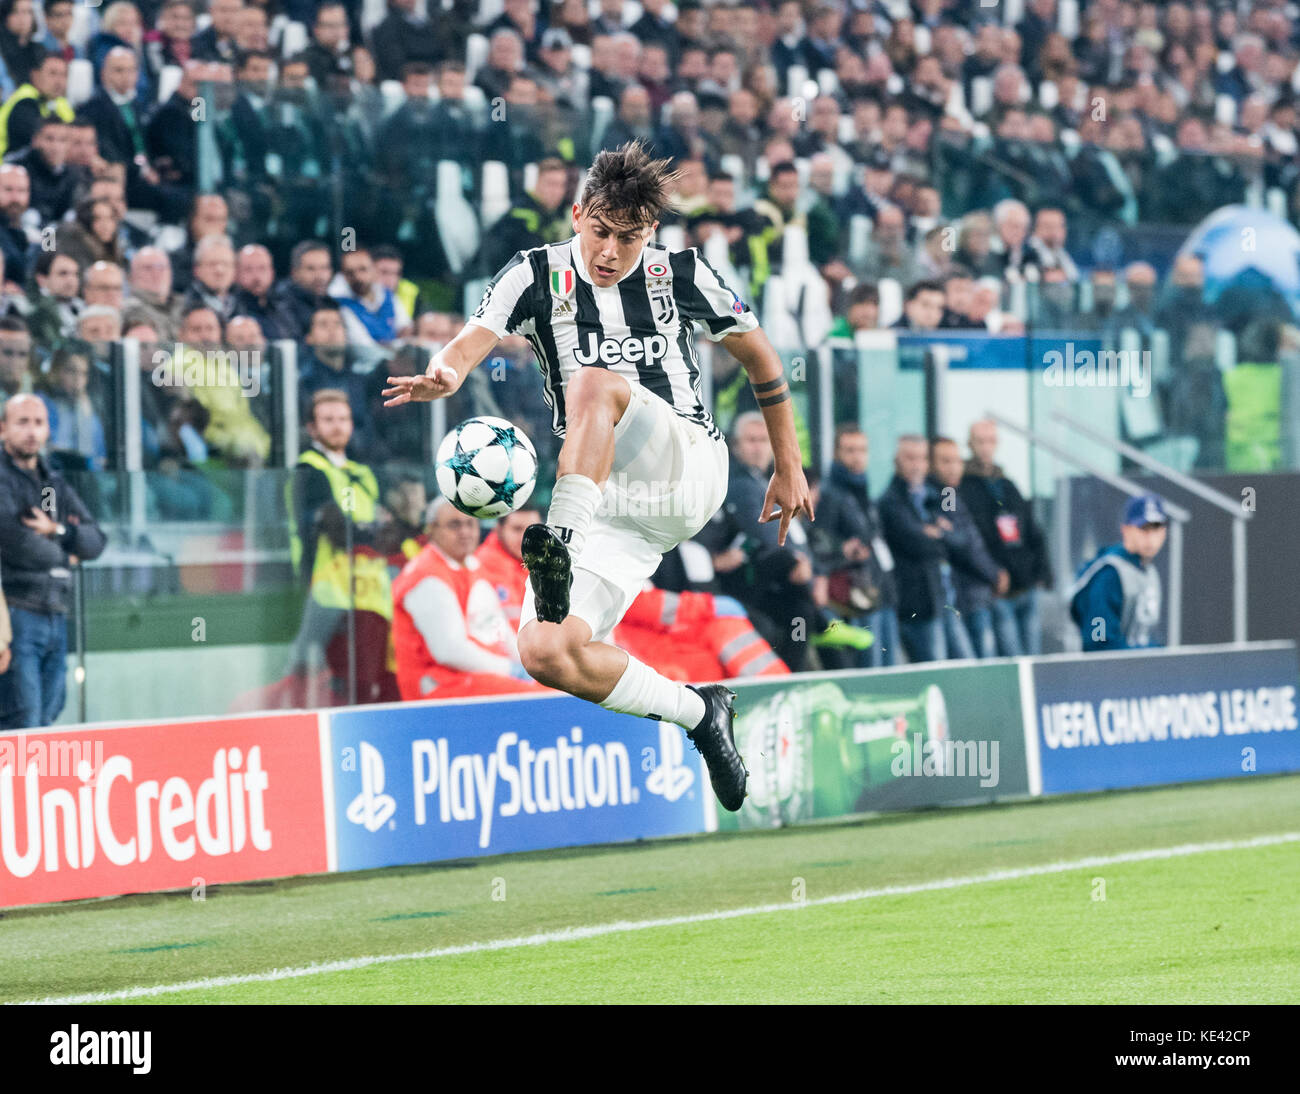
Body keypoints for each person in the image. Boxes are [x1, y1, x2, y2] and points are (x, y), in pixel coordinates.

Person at [383, 140, 816, 813]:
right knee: (547, 650)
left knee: (592, 383)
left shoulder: (684, 273)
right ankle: (701, 714)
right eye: (600, 233)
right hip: (612, 504)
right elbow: (475, 336)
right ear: (578, 213)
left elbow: (762, 360)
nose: (611, 253)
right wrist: (447, 372)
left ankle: (559, 538)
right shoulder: (533, 273)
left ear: (653, 232)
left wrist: (788, 465)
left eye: (630, 238)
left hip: (685, 467)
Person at [284, 389, 398, 705]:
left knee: (370, 678)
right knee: (327, 677)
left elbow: (391, 532)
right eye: (328, 420)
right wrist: (373, 528)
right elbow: (337, 530)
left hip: (370, 592)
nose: (337, 426)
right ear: (312, 428)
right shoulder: (308, 471)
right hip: (327, 592)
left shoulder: (362, 473)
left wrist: (368, 529)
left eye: (343, 419)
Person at [0, 393, 105, 728]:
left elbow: (96, 540)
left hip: (57, 613)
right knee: (23, 717)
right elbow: (16, 543)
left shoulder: (53, 484)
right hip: (17, 612)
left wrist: (57, 530)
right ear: (3, 429)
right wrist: (65, 555)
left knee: (48, 713)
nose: (31, 431)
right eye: (22, 422)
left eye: (39, 423)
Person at [392, 497, 548, 701]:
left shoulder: (471, 566)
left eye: (470, 524)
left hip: (478, 677)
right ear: (432, 529)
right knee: (545, 697)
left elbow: (499, 629)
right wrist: (509, 669)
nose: (464, 532)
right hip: (441, 686)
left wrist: (530, 667)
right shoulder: (426, 576)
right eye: (454, 525)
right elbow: (450, 651)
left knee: (559, 688)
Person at [878, 434, 975, 663]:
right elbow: (919, 544)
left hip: (945, 599)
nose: (916, 465)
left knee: (966, 666)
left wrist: (938, 533)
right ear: (897, 460)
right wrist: (940, 533)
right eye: (910, 458)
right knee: (935, 669)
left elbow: (961, 540)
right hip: (918, 605)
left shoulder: (933, 496)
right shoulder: (890, 501)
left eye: (921, 458)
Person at [960, 418, 1051, 656]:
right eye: (980, 441)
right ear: (970, 444)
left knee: (1032, 657)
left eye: (990, 441)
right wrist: (990, 573)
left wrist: (1041, 571)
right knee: (1012, 657)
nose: (985, 447)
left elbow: (1032, 529)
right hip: (996, 588)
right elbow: (968, 540)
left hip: (1025, 583)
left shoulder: (1008, 485)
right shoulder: (961, 487)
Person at [813, 424, 900, 667]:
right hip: (855, 596)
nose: (857, 457)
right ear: (835, 454)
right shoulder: (830, 495)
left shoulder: (862, 491)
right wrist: (844, 551)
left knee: (888, 667)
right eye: (849, 450)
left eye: (862, 450)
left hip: (878, 592)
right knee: (869, 668)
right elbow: (818, 542)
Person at [1069, 494, 1168, 652]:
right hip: (1104, 673)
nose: (1151, 538)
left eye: (1156, 528)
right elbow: (1097, 642)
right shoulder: (1108, 575)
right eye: (1144, 529)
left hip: (1136, 670)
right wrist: (1151, 652)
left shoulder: (1148, 570)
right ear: (1126, 530)